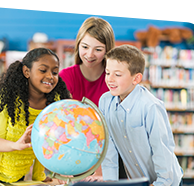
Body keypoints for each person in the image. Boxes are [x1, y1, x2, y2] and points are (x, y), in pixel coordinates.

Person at [0, 48, 71, 185]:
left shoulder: (54, 103)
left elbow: (44, 143)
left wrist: (39, 176)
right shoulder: (10, 100)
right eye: (43, 70)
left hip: (17, 172)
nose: (50, 76)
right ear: (27, 72)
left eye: (55, 72)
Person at [99, 45, 183, 185]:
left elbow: (162, 150)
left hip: (167, 182)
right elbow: (109, 150)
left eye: (118, 74)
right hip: (138, 181)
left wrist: (160, 183)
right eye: (107, 73)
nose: (110, 79)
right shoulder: (105, 102)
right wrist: (110, 183)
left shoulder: (150, 107)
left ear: (136, 79)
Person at [59, 16, 117, 182]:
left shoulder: (114, 81)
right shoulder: (66, 77)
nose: (90, 55)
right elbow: (61, 126)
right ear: (78, 45)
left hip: (108, 163)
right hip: (70, 160)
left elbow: (114, 130)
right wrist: (63, 168)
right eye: (85, 47)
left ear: (108, 50)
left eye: (98, 49)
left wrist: (102, 171)